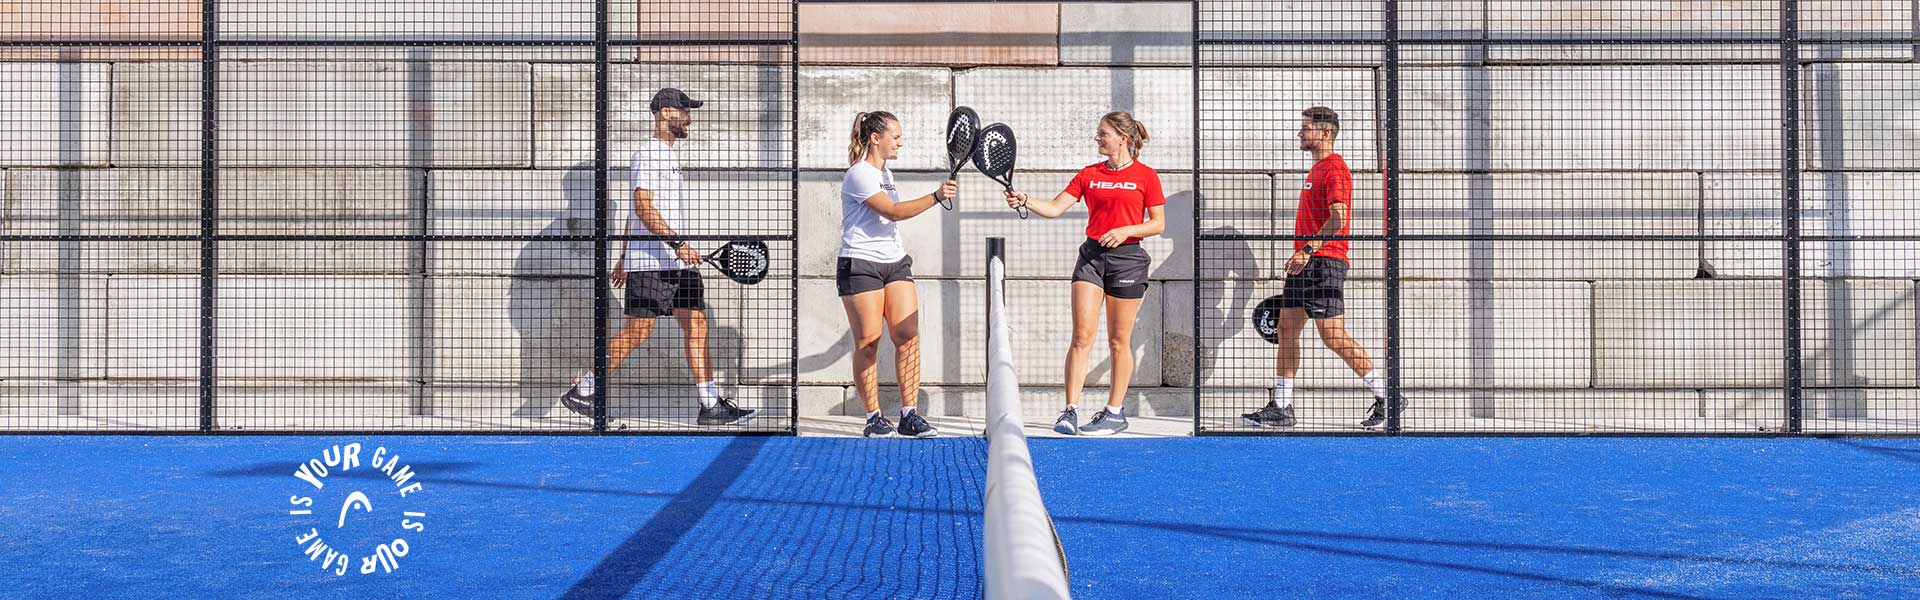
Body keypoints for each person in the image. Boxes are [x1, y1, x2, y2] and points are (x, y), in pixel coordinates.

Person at [559, 88, 756, 426]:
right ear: (666, 113)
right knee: (638, 332)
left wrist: (622, 256)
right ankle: (584, 390)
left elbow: (634, 214)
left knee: (696, 324)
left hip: (674, 264)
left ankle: (710, 405)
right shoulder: (649, 154)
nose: (689, 118)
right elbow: (642, 206)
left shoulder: (667, 157)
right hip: (654, 263)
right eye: (684, 111)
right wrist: (677, 243)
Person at [1005, 112, 1166, 436]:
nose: (1097, 138)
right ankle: (1070, 410)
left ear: (1122, 136)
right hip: (1091, 258)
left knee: (1119, 341)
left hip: (1128, 260)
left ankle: (1114, 412)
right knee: (1081, 336)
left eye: (1103, 133)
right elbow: (1054, 208)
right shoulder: (1088, 174)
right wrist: (1025, 199)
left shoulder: (1146, 176)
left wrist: (1125, 231)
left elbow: (1158, 224)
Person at [1241, 106, 1394, 430]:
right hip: (1305, 264)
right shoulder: (1316, 170)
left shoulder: (1334, 168)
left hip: (1323, 261)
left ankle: (1386, 397)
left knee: (1333, 336)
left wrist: (1308, 250)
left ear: (1325, 133)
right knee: (1286, 329)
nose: (1300, 133)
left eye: (1306, 128)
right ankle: (1282, 407)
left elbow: (1338, 218)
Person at [840, 111, 957, 438]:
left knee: (907, 336)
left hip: (895, 263)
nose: (900, 142)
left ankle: (909, 415)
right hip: (860, 264)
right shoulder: (859, 174)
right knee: (868, 343)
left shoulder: (886, 174)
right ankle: (873, 417)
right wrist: (935, 197)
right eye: (896, 136)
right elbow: (892, 212)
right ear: (875, 138)